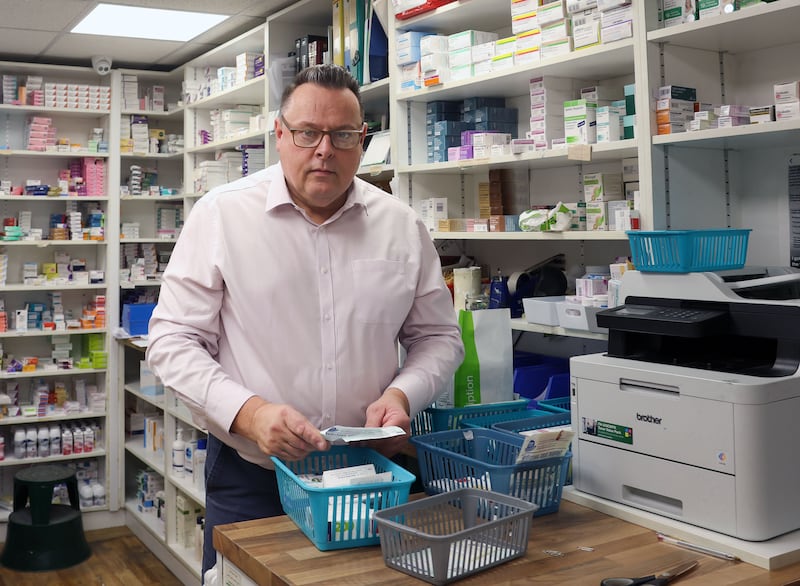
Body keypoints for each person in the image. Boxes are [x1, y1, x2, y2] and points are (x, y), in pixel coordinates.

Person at [145, 64, 464, 581]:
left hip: (369, 473)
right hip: (254, 480)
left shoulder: (401, 226)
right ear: (280, 135)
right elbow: (171, 340)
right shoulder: (223, 216)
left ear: (362, 140)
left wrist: (403, 396)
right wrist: (249, 414)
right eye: (307, 133)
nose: (324, 150)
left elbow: (438, 339)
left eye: (342, 135)